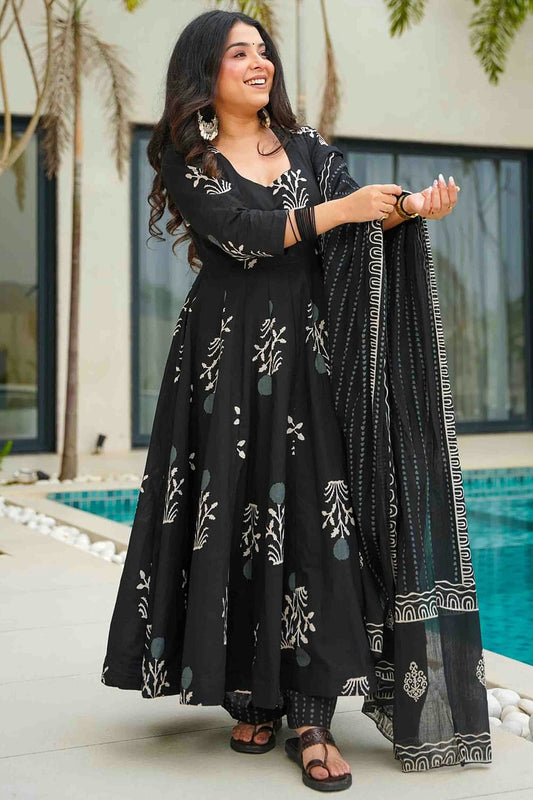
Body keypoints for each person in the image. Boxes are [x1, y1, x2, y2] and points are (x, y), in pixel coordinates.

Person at [101, 8, 491, 790]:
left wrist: (411, 209)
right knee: (235, 510)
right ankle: (251, 695)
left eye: (263, 51)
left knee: (317, 518)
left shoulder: (306, 147)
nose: (260, 63)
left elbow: (354, 214)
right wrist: (342, 210)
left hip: (314, 359)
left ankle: (311, 717)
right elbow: (239, 231)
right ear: (204, 70)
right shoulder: (187, 153)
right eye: (238, 53)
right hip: (225, 358)